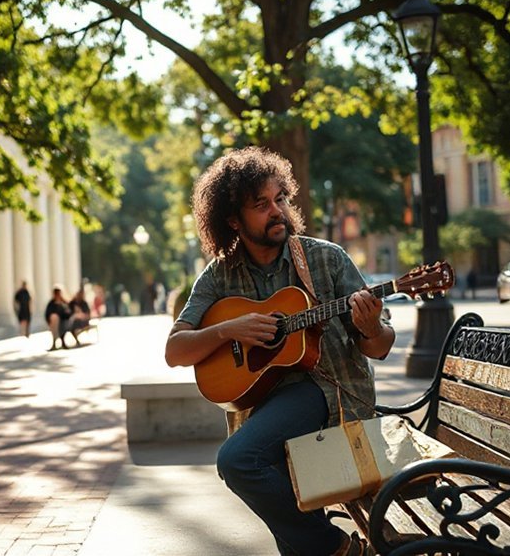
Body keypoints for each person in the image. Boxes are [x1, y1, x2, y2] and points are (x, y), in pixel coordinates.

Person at [164, 146, 394, 556]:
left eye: (280, 199)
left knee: (238, 460)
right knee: (273, 493)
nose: (277, 211)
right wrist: (228, 329)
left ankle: (341, 550)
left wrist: (370, 325)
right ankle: (337, 549)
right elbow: (175, 351)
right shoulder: (220, 275)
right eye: (261, 204)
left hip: (328, 393)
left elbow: (379, 348)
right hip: (265, 406)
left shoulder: (326, 259)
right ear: (233, 220)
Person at [45, 285, 73, 351]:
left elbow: (69, 313)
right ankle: (54, 343)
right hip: (54, 323)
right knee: (54, 318)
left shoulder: (64, 303)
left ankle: (62, 342)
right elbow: (48, 314)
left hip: (64, 321)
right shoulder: (51, 303)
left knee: (60, 322)